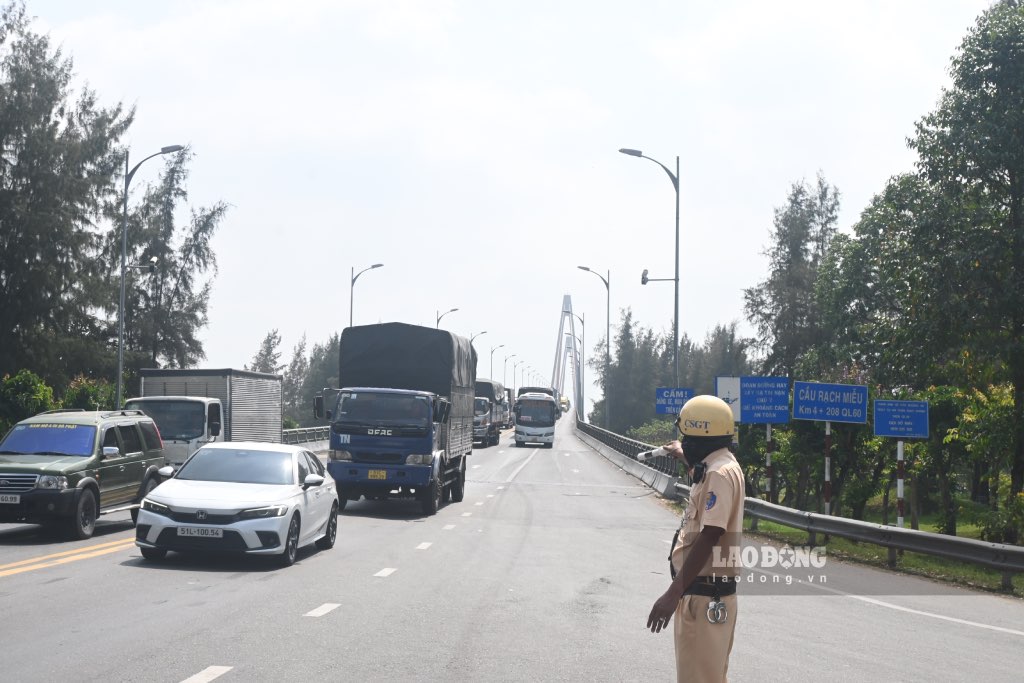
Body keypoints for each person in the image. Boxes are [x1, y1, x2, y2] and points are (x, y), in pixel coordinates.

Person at [646, 395, 745, 683]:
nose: (685, 442)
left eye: (689, 438)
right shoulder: (721, 464)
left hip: (703, 598)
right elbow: (701, 478)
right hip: (708, 595)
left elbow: (711, 533)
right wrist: (682, 455)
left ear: (705, 438)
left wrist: (673, 592)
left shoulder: (718, 474)